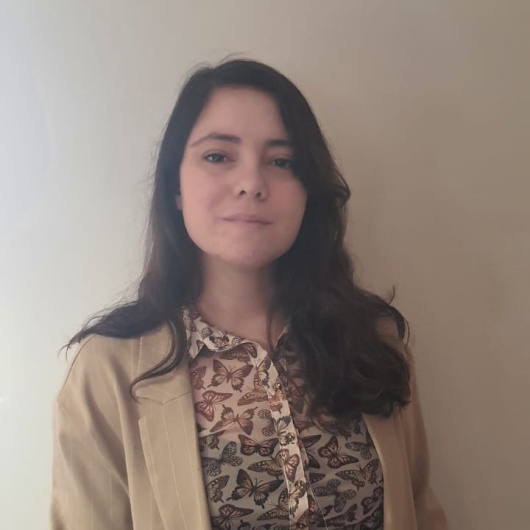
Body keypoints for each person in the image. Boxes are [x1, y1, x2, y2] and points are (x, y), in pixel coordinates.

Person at [50, 58, 447, 530]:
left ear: (308, 190)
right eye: (218, 156)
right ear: (175, 186)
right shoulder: (107, 371)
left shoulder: (371, 340)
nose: (252, 184)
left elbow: (419, 508)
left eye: (281, 162)